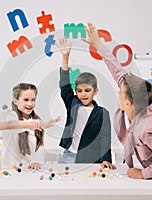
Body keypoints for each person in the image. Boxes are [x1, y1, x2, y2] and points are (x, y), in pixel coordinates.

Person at [82, 22, 152, 199]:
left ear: (129, 103)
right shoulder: (138, 101)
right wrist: (98, 44)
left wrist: (143, 173)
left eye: (120, 92)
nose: (118, 90)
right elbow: (117, 70)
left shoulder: (149, 128)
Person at [57, 38, 115, 169]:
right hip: (69, 155)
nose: (83, 94)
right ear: (76, 91)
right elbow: (64, 86)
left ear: (95, 91)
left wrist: (106, 159)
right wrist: (65, 57)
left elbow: (105, 138)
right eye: (79, 91)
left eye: (87, 91)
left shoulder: (102, 113)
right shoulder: (73, 103)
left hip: (90, 159)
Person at [1, 83, 60, 170]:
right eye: (26, 100)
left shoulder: (36, 119)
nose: (30, 103)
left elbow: (40, 146)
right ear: (15, 101)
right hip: (10, 169)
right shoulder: (11, 116)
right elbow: (15, 126)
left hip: (30, 169)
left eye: (33, 100)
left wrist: (36, 161)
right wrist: (35, 124)